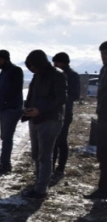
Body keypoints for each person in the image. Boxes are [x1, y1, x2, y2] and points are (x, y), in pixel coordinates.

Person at [21, 49, 67, 199]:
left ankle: (41, 190)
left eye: (33, 66)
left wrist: (40, 110)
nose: (32, 69)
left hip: (50, 120)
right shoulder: (37, 76)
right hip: (34, 120)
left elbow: (60, 99)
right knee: (36, 154)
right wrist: (27, 109)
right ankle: (38, 185)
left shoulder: (57, 75)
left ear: (39, 63)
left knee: (44, 156)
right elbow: (32, 95)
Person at [0, 49, 24, 174]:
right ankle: (4, 162)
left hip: (12, 108)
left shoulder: (15, 70)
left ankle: (6, 164)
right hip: (4, 109)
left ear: (6, 59)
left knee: (7, 137)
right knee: (4, 136)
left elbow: (16, 89)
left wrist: (5, 101)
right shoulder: (3, 72)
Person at [51, 52, 80, 179]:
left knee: (61, 141)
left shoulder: (72, 75)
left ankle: (60, 168)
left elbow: (75, 95)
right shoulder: (54, 74)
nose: (55, 65)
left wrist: (61, 98)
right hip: (52, 112)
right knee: (52, 142)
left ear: (64, 62)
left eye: (57, 62)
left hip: (65, 113)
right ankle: (50, 167)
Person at [87, 41, 107, 199]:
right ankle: (103, 187)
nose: (104, 57)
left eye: (106, 54)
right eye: (102, 54)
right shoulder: (103, 70)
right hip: (103, 116)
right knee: (102, 153)